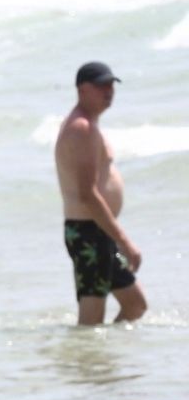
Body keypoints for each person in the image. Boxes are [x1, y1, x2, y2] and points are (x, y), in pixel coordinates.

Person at [56, 62, 146, 325]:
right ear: (82, 89)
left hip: (97, 231)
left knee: (135, 305)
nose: (108, 91)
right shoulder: (81, 128)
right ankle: (84, 353)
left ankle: (102, 353)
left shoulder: (88, 125)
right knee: (91, 320)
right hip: (89, 232)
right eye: (101, 86)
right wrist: (124, 241)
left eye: (111, 85)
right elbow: (88, 194)